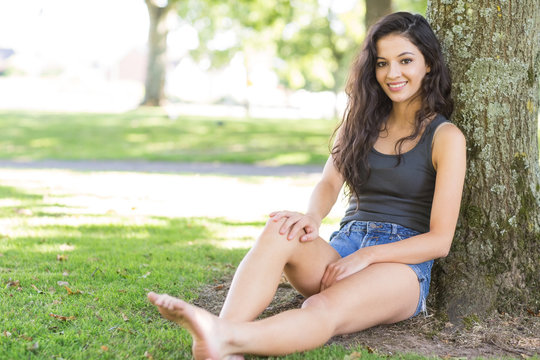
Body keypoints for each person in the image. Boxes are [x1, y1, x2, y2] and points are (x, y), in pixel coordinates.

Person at [147, 11, 466, 360]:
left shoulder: (445, 137)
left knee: (321, 306)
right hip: (343, 249)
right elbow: (330, 181)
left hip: (401, 268)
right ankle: (219, 334)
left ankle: (226, 338)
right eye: (382, 63)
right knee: (281, 227)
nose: (392, 74)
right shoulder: (361, 123)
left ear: (429, 64)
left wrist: (367, 256)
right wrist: (312, 218)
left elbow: (440, 240)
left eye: (406, 60)